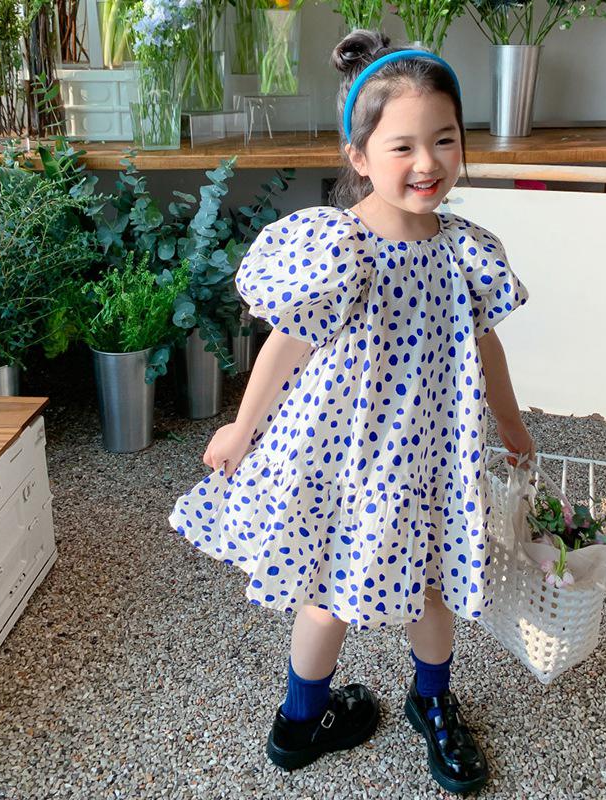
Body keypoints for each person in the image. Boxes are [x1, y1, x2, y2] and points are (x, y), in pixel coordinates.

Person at [169, 28, 535, 795]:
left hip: (428, 454)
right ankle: (302, 721)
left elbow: (486, 348)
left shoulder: (463, 251)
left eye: (444, 140)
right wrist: (242, 426)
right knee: (325, 594)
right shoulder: (340, 248)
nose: (428, 163)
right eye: (403, 146)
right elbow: (285, 344)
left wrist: (509, 422)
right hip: (343, 457)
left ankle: (430, 701)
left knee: (431, 586)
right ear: (359, 156)